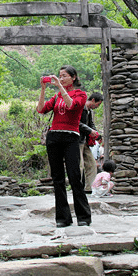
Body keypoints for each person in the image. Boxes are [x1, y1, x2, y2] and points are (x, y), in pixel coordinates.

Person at [37, 65, 92, 227]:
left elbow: (71, 106)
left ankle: (83, 216)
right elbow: (41, 109)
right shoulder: (56, 97)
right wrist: (43, 89)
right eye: (59, 76)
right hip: (54, 137)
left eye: (64, 76)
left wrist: (60, 87)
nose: (61, 79)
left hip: (71, 137)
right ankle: (62, 218)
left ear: (73, 77)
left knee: (75, 177)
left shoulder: (81, 94)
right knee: (58, 179)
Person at [79, 92, 103, 193]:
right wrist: (90, 131)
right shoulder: (81, 108)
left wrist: (95, 133)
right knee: (79, 164)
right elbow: (77, 123)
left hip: (85, 141)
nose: (97, 107)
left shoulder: (89, 111)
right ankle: (77, 188)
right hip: (78, 139)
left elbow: (91, 124)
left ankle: (89, 188)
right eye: (98, 104)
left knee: (92, 164)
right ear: (93, 100)